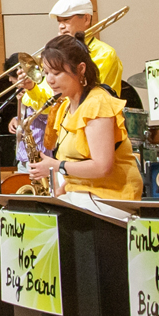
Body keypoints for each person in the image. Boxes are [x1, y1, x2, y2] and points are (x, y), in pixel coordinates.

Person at [33, 35, 142, 199]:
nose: (49, 80)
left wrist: (56, 165)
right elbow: (76, 168)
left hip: (111, 196)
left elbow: (102, 167)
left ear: (81, 69)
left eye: (56, 73)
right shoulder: (64, 107)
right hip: (83, 195)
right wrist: (57, 195)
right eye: (46, 73)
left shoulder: (97, 103)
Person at [47, 0, 123, 94]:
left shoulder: (105, 53)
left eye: (66, 20)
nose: (61, 26)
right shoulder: (59, 51)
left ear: (86, 19)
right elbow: (47, 94)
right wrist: (32, 87)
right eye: (59, 21)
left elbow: (85, 91)